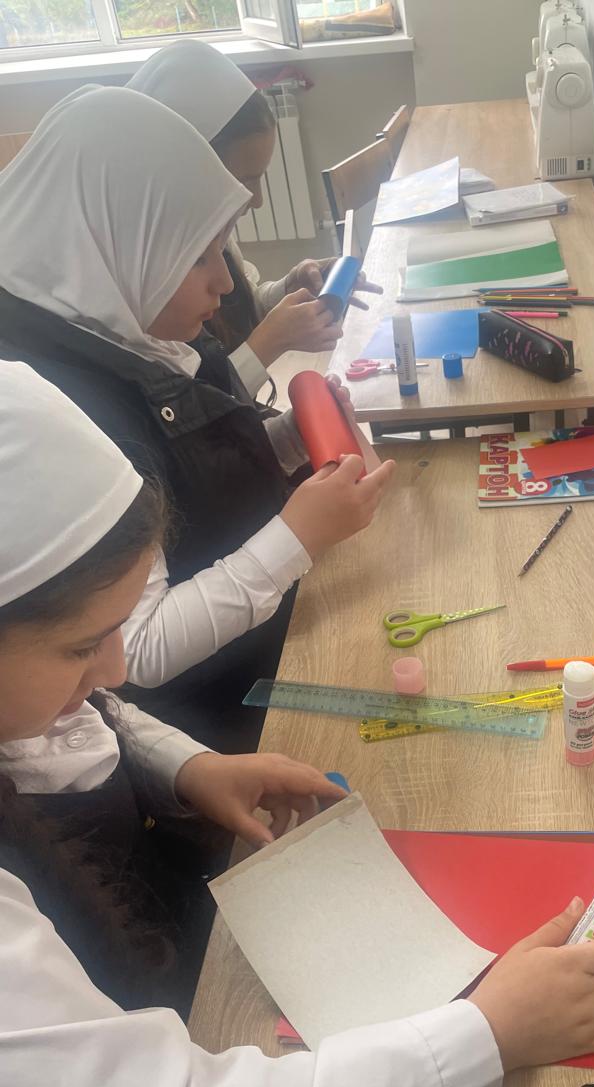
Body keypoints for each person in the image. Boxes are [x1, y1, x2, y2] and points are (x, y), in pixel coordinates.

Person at [0, 361, 594, 1087]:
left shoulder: (44, 693)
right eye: (82, 646)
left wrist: (186, 767)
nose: (116, 669)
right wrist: (489, 1032)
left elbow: (85, 714)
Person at [0, 86, 395, 753]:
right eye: (198, 256)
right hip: (214, 718)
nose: (227, 283)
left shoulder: (132, 328)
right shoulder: (73, 408)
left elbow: (192, 471)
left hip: (259, 633)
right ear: (117, 245)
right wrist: (299, 536)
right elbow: (139, 652)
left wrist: (286, 440)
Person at [128, 39, 382, 398]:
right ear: (189, 169)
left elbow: (231, 309)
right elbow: (193, 410)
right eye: (244, 182)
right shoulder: (141, 270)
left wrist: (290, 287)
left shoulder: (211, 230)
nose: (257, 200)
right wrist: (268, 343)